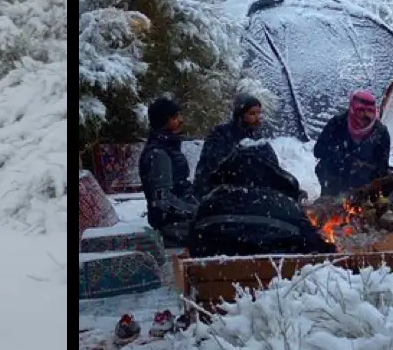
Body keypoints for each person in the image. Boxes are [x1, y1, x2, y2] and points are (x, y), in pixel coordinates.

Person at [190, 139, 335, 257]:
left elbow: (192, 242)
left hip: (213, 282)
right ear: (272, 170)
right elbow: (317, 247)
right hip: (276, 284)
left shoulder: (208, 204)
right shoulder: (287, 206)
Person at [138, 97, 197, 246]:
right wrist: (195, 211)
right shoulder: (158, 153)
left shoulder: (167, 147)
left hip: (179, 220)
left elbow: (180, 185)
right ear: (163, 122)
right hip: (172, 226)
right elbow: (162, 200)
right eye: (175, 117)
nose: (181, 120)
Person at [194, 94, 277, 199]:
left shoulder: (256, 137)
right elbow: (217, 164)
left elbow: (271, 163)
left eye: (259, 113)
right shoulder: (221, 133)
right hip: (215, 193)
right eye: (252, 113)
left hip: (247, 192)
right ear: (240, 115)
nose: (258, 117)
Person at [312, 90, 391, 198]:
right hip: (333, 177)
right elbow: (318, 150)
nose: (365, 116)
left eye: (370, 111)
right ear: (352, 109)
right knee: (329, 208)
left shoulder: (380, 133)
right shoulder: (337, 124)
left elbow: (382, 167)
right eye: (361, 110)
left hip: (363, 185)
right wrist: (338, 153)